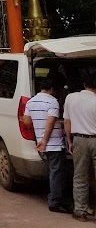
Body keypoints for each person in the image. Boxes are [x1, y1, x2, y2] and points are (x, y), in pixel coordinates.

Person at [22, 75, 69, 214]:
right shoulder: (52, 102)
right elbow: (51, 122)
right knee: (56, 172)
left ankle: (55, 197)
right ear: (52, 89)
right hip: (53, 143)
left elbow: (26, 121)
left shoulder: (31, 102)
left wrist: (40, 132)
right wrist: (45, 140)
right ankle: (55, 202)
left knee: (53, 171)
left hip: (42, 143)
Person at [63, 72, 96, 221]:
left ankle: (80, 211)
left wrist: (70, 141)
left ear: (84, 84)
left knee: (80, 176)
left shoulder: (71, 98)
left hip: (79, 140)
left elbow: (67, 122)